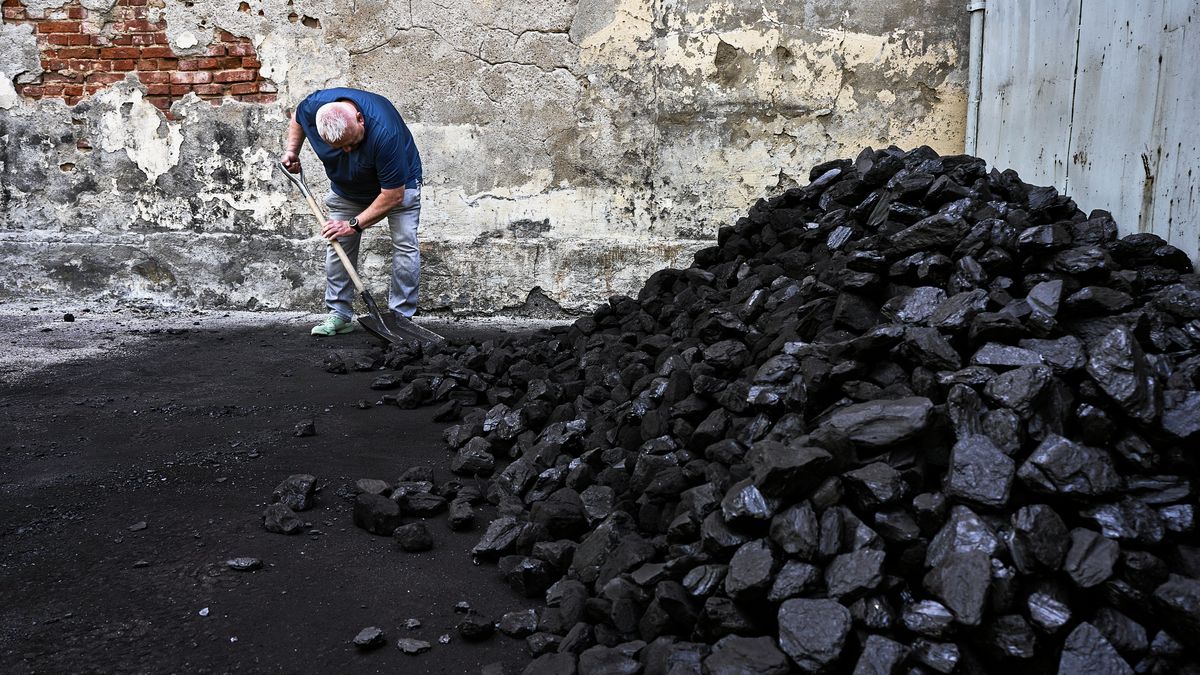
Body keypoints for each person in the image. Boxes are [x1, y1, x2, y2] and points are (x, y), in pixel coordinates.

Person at [280, 87, 423, 336]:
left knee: (404, 244)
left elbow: (393, 195)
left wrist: (354, 224)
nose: (347, 150)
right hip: (347, 188)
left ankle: (401, 317)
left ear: (360, 119)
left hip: (397, 186)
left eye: (352, 143)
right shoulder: (314, 106)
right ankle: (339, 314)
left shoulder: (384, 132)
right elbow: (298, 116)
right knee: (337, 244)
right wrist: (292, 150)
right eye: (340, 147)